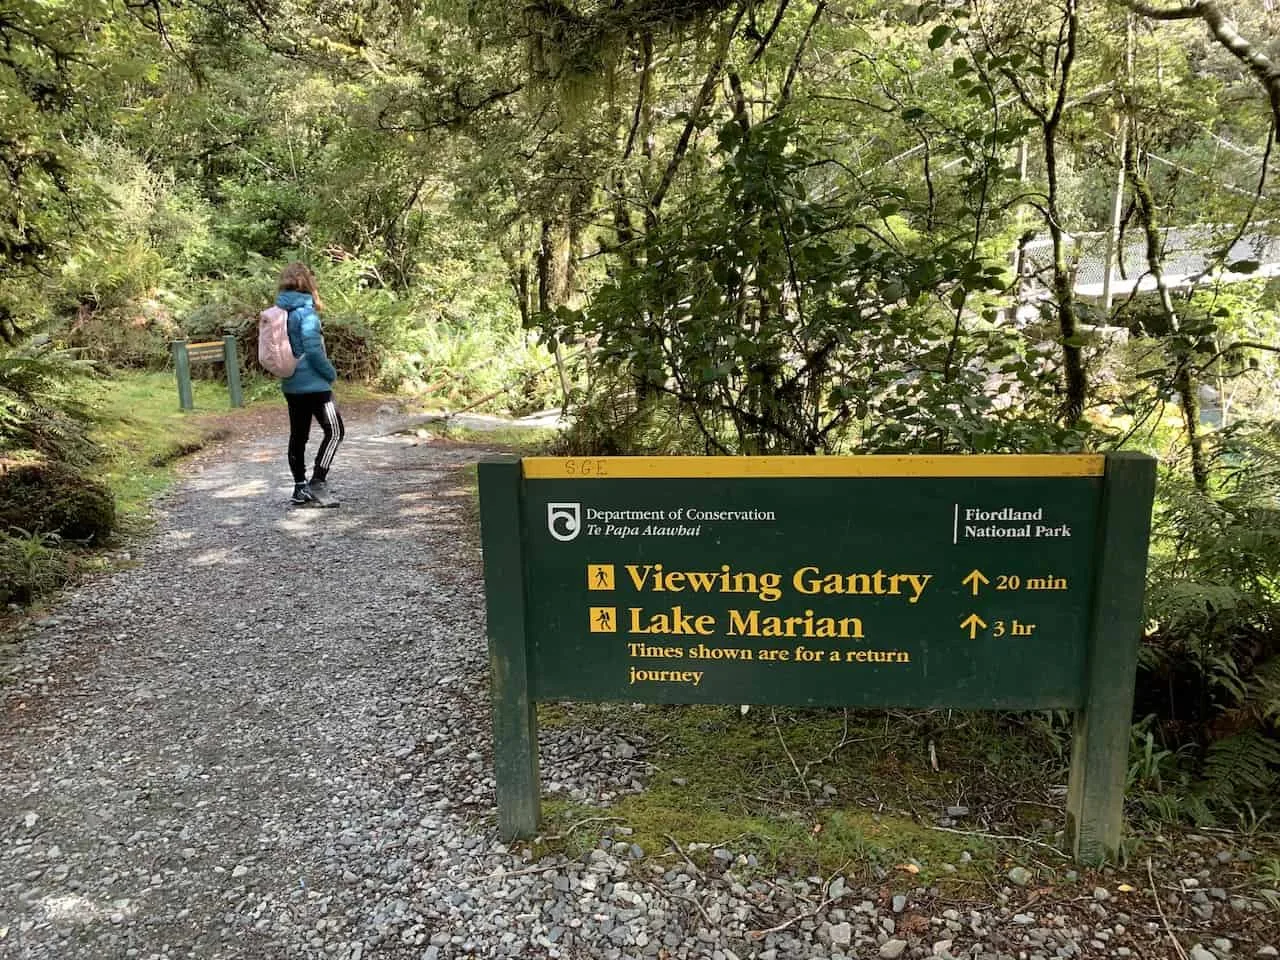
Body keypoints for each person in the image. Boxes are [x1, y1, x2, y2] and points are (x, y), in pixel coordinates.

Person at [276, 262, 343, 504]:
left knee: (298, 436)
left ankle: (299, 487)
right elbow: (314, 351)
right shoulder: (307, 313)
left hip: (291, 384)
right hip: (316, 386)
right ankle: (318, 480)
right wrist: (330, 374)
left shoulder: (280, 312)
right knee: (335, 431)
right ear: (308, 284)